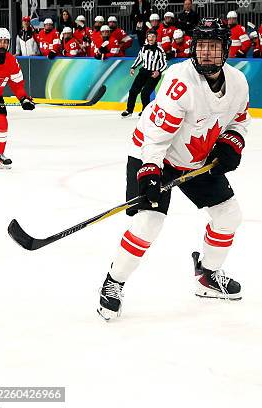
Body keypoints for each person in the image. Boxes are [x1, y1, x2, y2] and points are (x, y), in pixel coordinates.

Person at [99, 18, 250, 321]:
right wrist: (150, 171)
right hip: (154, 155)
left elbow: (239, 121)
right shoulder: (180, 82)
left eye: (214, 47)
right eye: (202, 46)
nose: (207, 53)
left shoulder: (238, 83)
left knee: (229, 215)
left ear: (226, 49)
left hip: (196, 159)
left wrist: (232, 143)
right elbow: (156, 136)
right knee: (148, 223)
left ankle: (207, 274)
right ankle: (113, 282)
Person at [0, 28, 35, 169]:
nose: (2, 45)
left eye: (5, 42)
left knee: (2, 124)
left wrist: (23, 99)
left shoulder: (11, 61)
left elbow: (17, 85)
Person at [121, 30, 166, 117]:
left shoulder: (159, 50)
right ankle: (129, 110)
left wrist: (158, 71)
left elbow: (164, 64)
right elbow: (139, 59)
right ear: (147, 37)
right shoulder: (144, 48)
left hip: (154, 74)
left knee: (145, 93)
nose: (151, 38)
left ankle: (145, 111)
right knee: (133, 91)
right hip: (143, 72)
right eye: (149, 36)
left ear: (156, 38)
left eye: (153, 36)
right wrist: (133, 67)